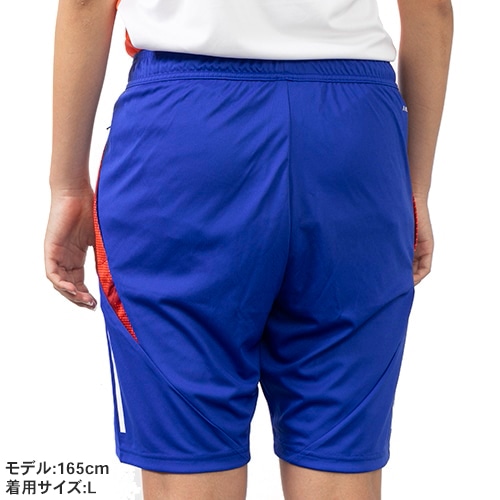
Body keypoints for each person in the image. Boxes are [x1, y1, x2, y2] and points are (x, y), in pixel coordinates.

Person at [44, 0, 453, 498]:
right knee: (338, 443)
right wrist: (414, 188)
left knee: (188, 440)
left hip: (185, 135)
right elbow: (431, 9)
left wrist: (68, 186)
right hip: (353, 139)